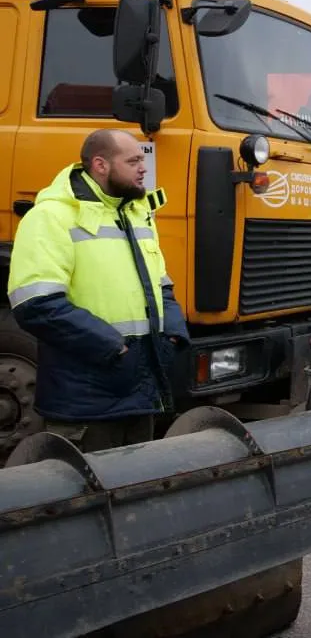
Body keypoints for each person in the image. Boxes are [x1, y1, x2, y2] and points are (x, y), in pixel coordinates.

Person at [8, 129, 188, 452]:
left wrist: (173, 334)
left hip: (140, 395)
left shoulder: (137, 214)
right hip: (87, 403)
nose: (143, 168)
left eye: (142, 160)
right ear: (100, 165)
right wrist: (114, 348)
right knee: (88, 484)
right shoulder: (50, 217)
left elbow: (161, 285)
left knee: (138, 480)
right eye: (132, 161)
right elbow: (36, 304)